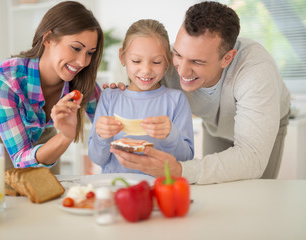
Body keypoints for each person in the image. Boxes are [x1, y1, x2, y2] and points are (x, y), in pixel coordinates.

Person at [109, 1, 291, 184]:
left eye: (197, 62)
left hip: (263, 126)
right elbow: (131, 67)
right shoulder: (164, 62)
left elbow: (252, 159)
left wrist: (181, 170)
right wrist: (124, 87)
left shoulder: (255, 70)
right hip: (214, 124)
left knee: (256, 194)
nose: (182, 71)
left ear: (227, 58)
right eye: (178, 54)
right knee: (214, 189)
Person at [0, 1, 103, 174]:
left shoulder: (82, 81)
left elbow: (108, 124)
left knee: (49, 195)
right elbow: (20, 158)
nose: (82, 62)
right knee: (5, 198)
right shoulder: (5, 80)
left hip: (42, 132)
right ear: (48, 39)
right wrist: (65, 137)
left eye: (89, 53)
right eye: (75, 48)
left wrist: (127, 95)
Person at [88, 19, 194, 174]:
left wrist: (171, 135)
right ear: (122, 57)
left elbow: (185, 160)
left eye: (156, 62)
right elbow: (97, 158)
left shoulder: (176, 100)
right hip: (116, 187)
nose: (146, 70)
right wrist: (101, 136)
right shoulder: (109, 98)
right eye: (136, 61)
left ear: (168, 60)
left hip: (158, 187)